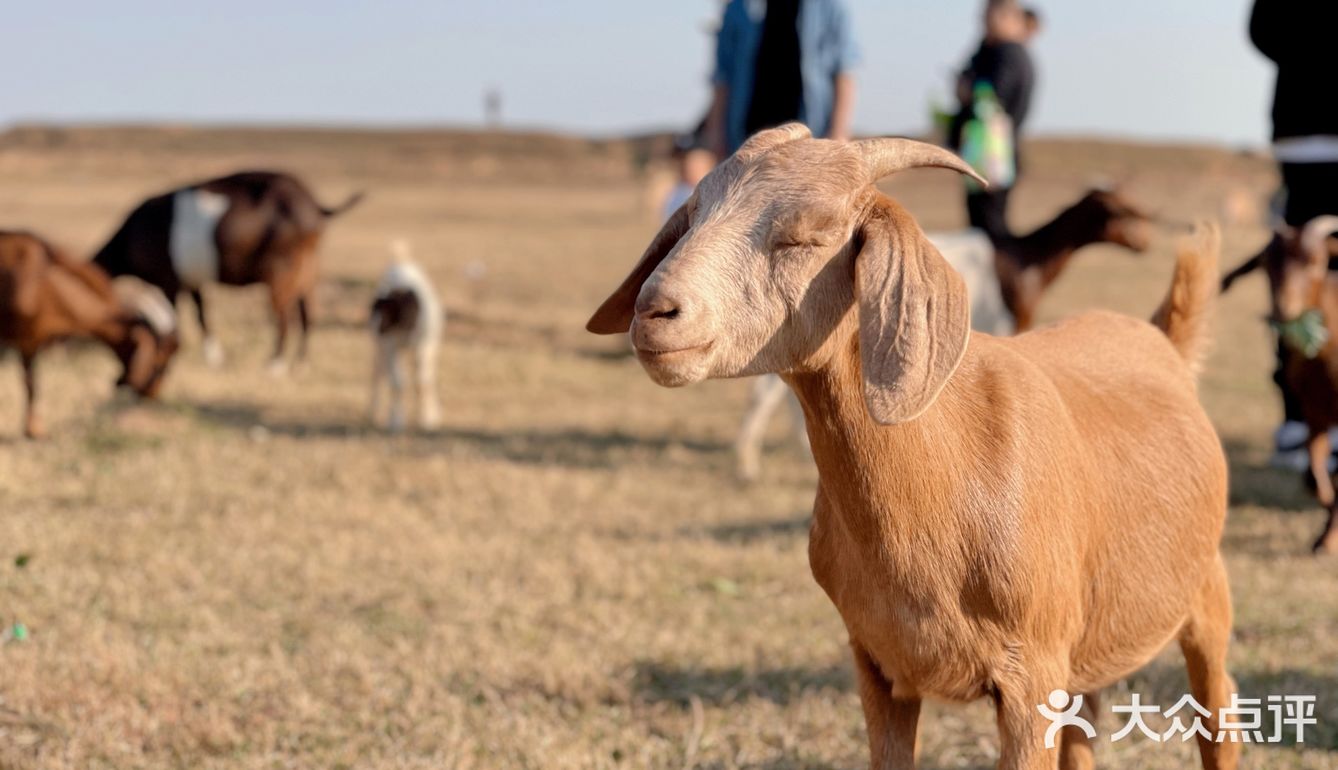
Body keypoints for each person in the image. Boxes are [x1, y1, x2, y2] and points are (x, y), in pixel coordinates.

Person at [1250, 1, 1338, 468]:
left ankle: (1302, 421)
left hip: (1298, 128)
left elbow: (1262, 31)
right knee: (1296, 282)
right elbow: (1263, 30)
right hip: (1302, 135)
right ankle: (1303, 420)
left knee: (1298, 277)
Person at [706, 0, 859, 159]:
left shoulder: (829, 6)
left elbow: (844, 72)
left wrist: (838, 132)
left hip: (811, 140)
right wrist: (716, 133)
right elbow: (723, 78)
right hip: (746, 140)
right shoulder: (738, 8)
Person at [951, 0, 1035, 239]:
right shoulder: (994, 51)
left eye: (990, 17)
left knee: (989, 231)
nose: (984, 24)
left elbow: (992, 99)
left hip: (993, 157)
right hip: (986, 155)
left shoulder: (1008, 53)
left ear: (1010, 18)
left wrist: (967, 90)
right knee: (982, 226)